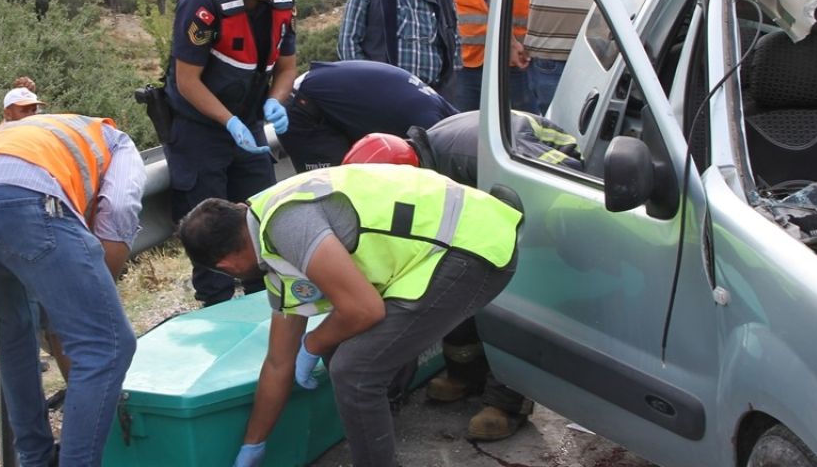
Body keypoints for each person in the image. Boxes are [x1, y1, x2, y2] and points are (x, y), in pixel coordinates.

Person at [177, 164, 522, 467]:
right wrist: (254, 443)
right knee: (341, 349)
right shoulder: (268, 237)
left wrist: (312, 342)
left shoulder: (286, 224)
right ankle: (377, 425)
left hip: (472, 247)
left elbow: (363, 309)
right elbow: (278, 363)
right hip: (441, 250)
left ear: (226, 265)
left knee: (354, 370)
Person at [343, 111, 582, 442]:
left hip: (535, 187)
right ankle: (466, 375)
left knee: (509, 286)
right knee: (449, 274)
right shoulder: (425, 163)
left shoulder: (471, 155)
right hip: (484, 196)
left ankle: (506, 402)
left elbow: (561, 175)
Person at [0, 114, 145, 467]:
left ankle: (34, 459)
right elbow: (119, 209)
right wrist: (95, 295)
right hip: (22, 201)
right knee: (107, 344)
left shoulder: (36, 133)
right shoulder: (118, 143)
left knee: (15, 326)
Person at [164, 0, 306, 306]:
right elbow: (187, 80)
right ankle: (219, 313)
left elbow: (287, 68)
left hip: (249, 130)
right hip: (200, 132)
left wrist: (276, 100)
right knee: (211, 238)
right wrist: (228, 121)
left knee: (262, 224)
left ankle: (266, 311)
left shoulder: (282, 1)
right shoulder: (204, 1)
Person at [277, 60, 458, 172]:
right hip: (303, 106)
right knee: (338, 186)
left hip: (334, 99)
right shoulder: (429, 127)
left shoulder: (443, 113)